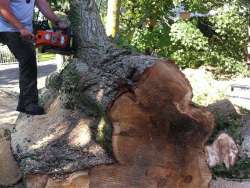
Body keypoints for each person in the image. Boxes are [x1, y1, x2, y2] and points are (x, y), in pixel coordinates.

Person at [0, 0, 68, 115]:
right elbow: (3, 8)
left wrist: (57, 21)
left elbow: (42, 3)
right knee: (27, 57)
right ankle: (29, 104)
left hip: (24, 28)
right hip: (7, 27)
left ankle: (23, 104)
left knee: (29, 58)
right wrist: (21, 28)